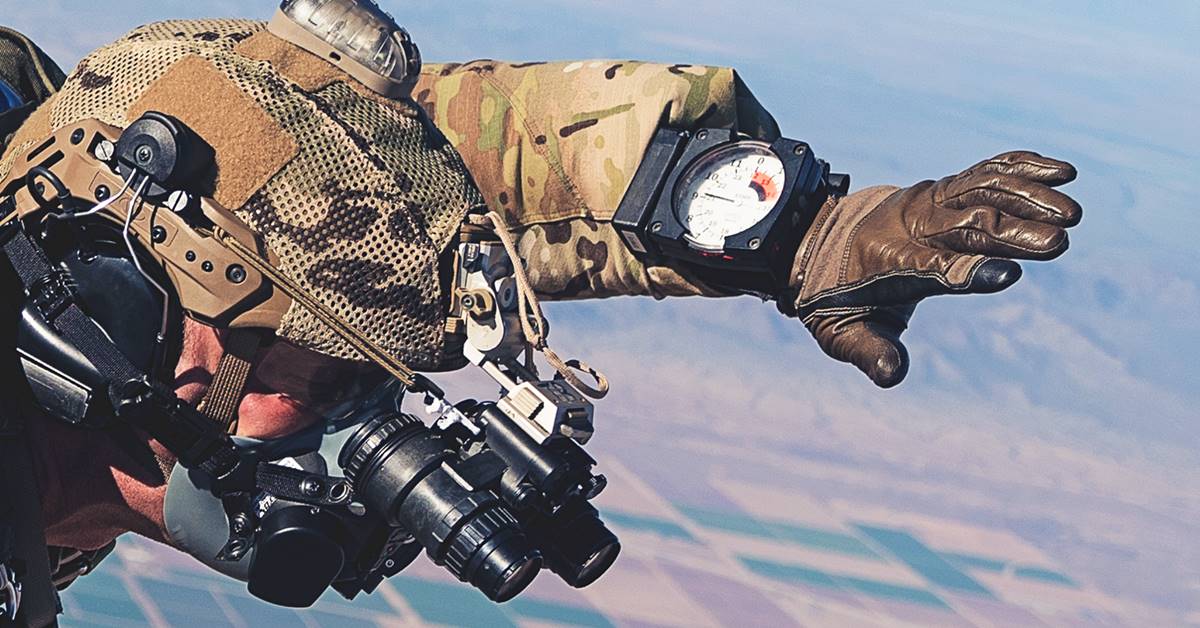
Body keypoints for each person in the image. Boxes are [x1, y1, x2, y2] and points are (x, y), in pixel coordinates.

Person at [0, 7, 1081, 625]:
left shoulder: (57, 200)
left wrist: (799, 228)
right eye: (326, 382)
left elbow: (355, 177)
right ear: (113, 312)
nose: (355, 435)